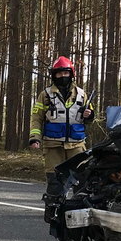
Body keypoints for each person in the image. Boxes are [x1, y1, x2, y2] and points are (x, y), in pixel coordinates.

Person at [29, 56, 94, 192]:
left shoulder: (82, 95)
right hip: (53, 146)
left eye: (65, 73)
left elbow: (90, 116)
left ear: (71, 74)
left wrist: (89, 115)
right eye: (59, 73)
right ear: (54, 75)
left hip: (76, 145)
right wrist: (35, 138)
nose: (62, 76)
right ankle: (53, 211)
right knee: (55, 181)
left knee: (81, 181)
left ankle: (78, 211)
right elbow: (36, 118)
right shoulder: (45, 95)